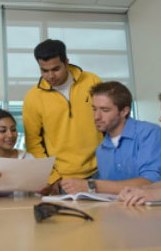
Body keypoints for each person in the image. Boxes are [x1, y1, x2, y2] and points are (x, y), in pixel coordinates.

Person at [61, 81, 161, 195]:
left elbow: (152, 182)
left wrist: (92, 185)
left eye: (105, 110)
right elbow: (109, 193)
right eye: (94, 109)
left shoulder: (149, 133)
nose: (96, 117)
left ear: (124, 111)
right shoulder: (101, 149)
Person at [23, 39, 103, 195]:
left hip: (102, 171)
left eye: (56, 69)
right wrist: (53, 177)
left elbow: (108, 122)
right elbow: (33, 143)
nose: (50, 76)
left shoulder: (92, 81)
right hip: (65, 179)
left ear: (66, 62)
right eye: (44, 70)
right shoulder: (33, 97)